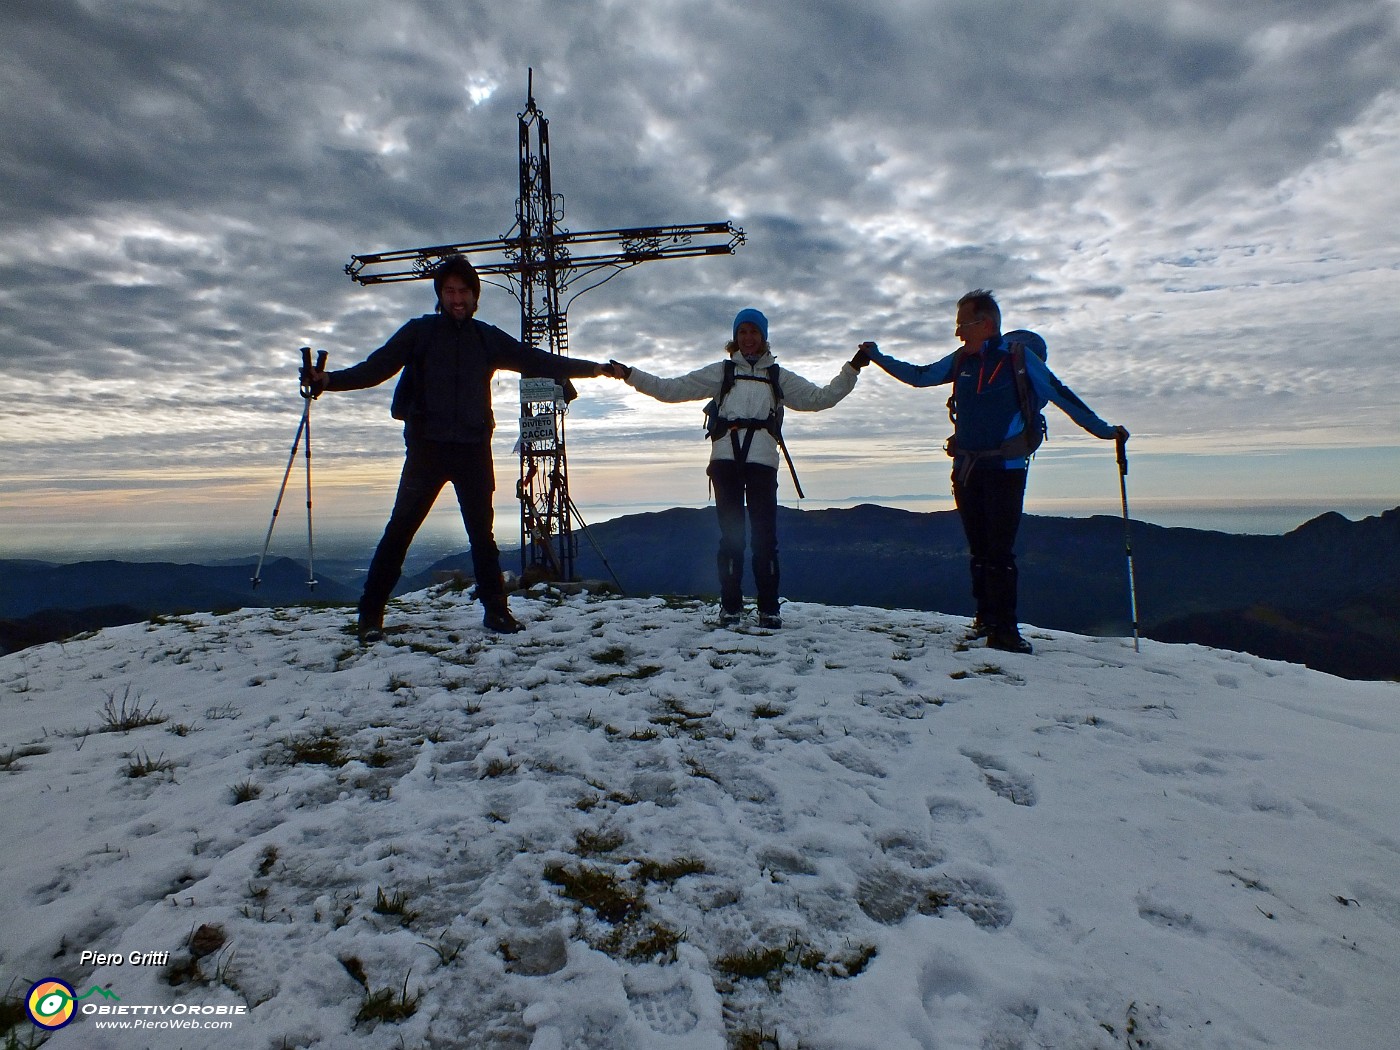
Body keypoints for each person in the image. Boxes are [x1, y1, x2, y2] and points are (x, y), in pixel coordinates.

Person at [302, 255, 608, 642]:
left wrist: (592, 368)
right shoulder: (419, 333)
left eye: (464, 291)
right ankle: (370, 617)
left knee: (483, 536)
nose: (457, 298)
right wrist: (327, 379)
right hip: (427, 450)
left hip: (473, 450)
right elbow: (375, 367)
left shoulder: (486, 338)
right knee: (400, 531)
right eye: (449, 291)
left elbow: (536, 360)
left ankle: (496, 612)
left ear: (475, 295)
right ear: (440, 295)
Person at [864, 289, 1127, 654]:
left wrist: (1105, 431)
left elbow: (1061, 395)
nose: (958, 333)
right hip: (968, 468)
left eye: (963, 325)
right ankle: (987, 619)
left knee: (999, 551)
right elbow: (919, 376)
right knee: (980, 550)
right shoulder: (963, 361)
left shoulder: (1019, 359)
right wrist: (876, 356)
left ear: (985, 324)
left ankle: (1004, 629)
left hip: (1004, 469)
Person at [603, 308, 870, 628]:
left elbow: (820, 398)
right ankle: (731, 607)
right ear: (735, 337)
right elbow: (670, 389)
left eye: (753, 332)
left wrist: (852, 368)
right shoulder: (723, 372)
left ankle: (768, 608)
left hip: (761, 462)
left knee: (764, 539)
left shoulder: (777, 376)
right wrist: (630, 373)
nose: (748, 338)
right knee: (732, 539)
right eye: (742, 332)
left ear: (764, 337)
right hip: (727, 463)